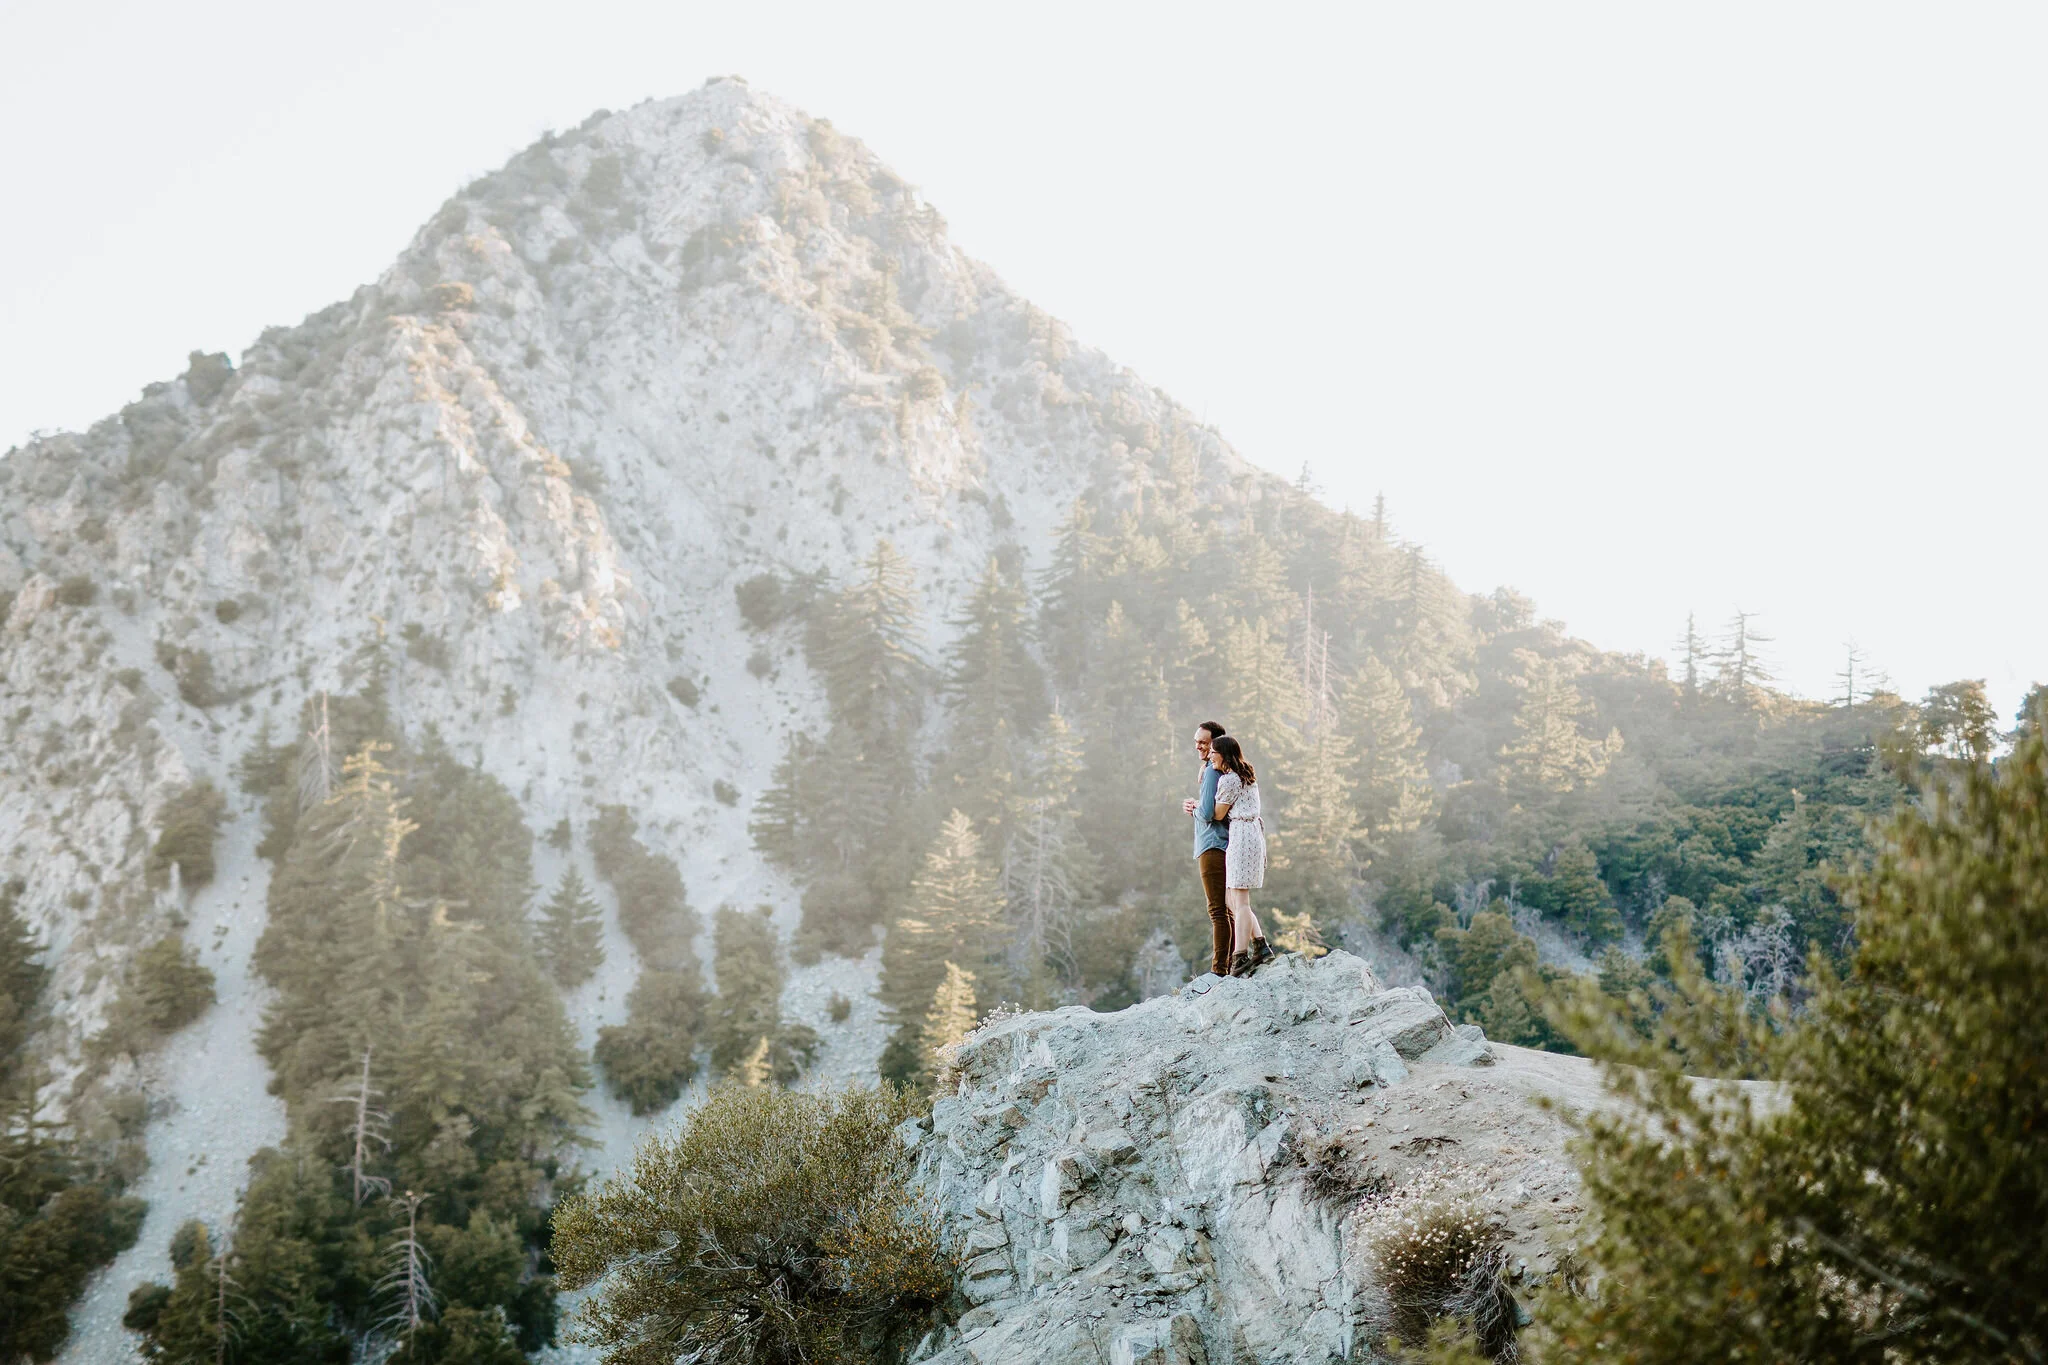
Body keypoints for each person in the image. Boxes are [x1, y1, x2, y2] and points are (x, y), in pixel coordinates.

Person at [1209, 735, 1271, 976]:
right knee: (1231, 899)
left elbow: (1216, 813)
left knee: (1240, 901)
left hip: (1243, 836)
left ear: (1224, 754)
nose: (1211, 756)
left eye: (1214, 752)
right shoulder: (1244, 775)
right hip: (1248, 834)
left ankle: (1240, 956)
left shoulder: (1230, 780)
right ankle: (1260, 944)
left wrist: (1196, 807)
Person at [1182, 721, 1232, 978]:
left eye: (1203, 742)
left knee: (1217, 910)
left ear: (1215, 744)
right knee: (1226, 908)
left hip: (1212, 844)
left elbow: (1207, 812)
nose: (1198, 746)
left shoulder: (1212, 772)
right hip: (1220, 843)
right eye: (1196, 741)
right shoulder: (1215, 769)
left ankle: (1220, 970)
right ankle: (1232, 963)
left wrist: (1194, 807)